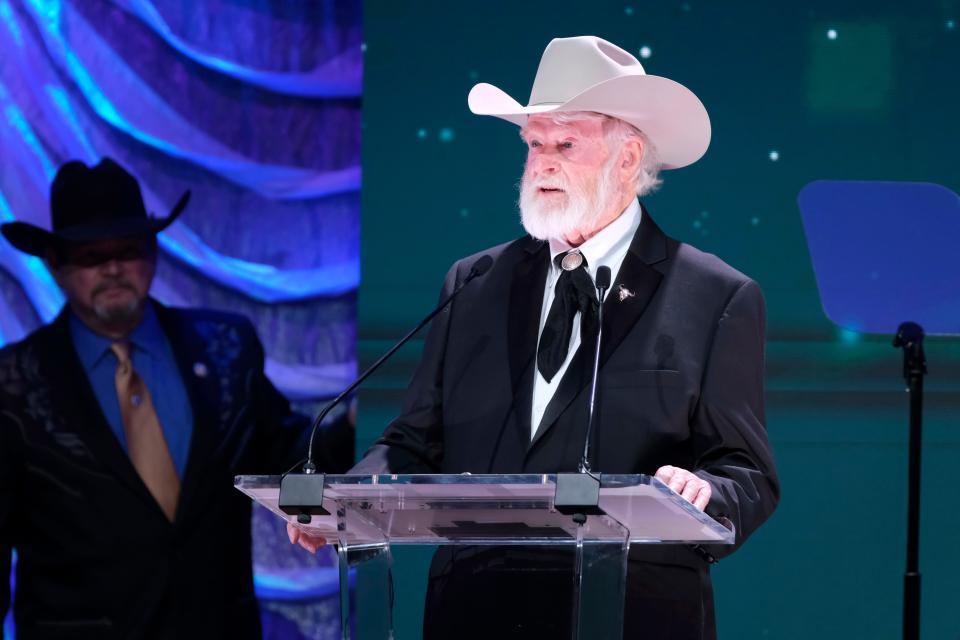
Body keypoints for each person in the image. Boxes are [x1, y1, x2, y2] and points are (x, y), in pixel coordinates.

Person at [290, 35, 779, 639]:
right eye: (533, 144)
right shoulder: (476, 280)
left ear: (628, 157)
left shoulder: (713, 295)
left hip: (632, 613)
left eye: (565, 144)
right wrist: (347, 501)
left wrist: (703, 490)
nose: (543, 162)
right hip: (477, 611)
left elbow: (747, 475)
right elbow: (416, 440)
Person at [0, 158, 352, 639]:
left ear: (154, 251)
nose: (113, 268)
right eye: (90, 255)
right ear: (55, 266)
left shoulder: (226, 348)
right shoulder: (13, 381)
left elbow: (289, 464)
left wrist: (355, 426)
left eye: (128, 248)